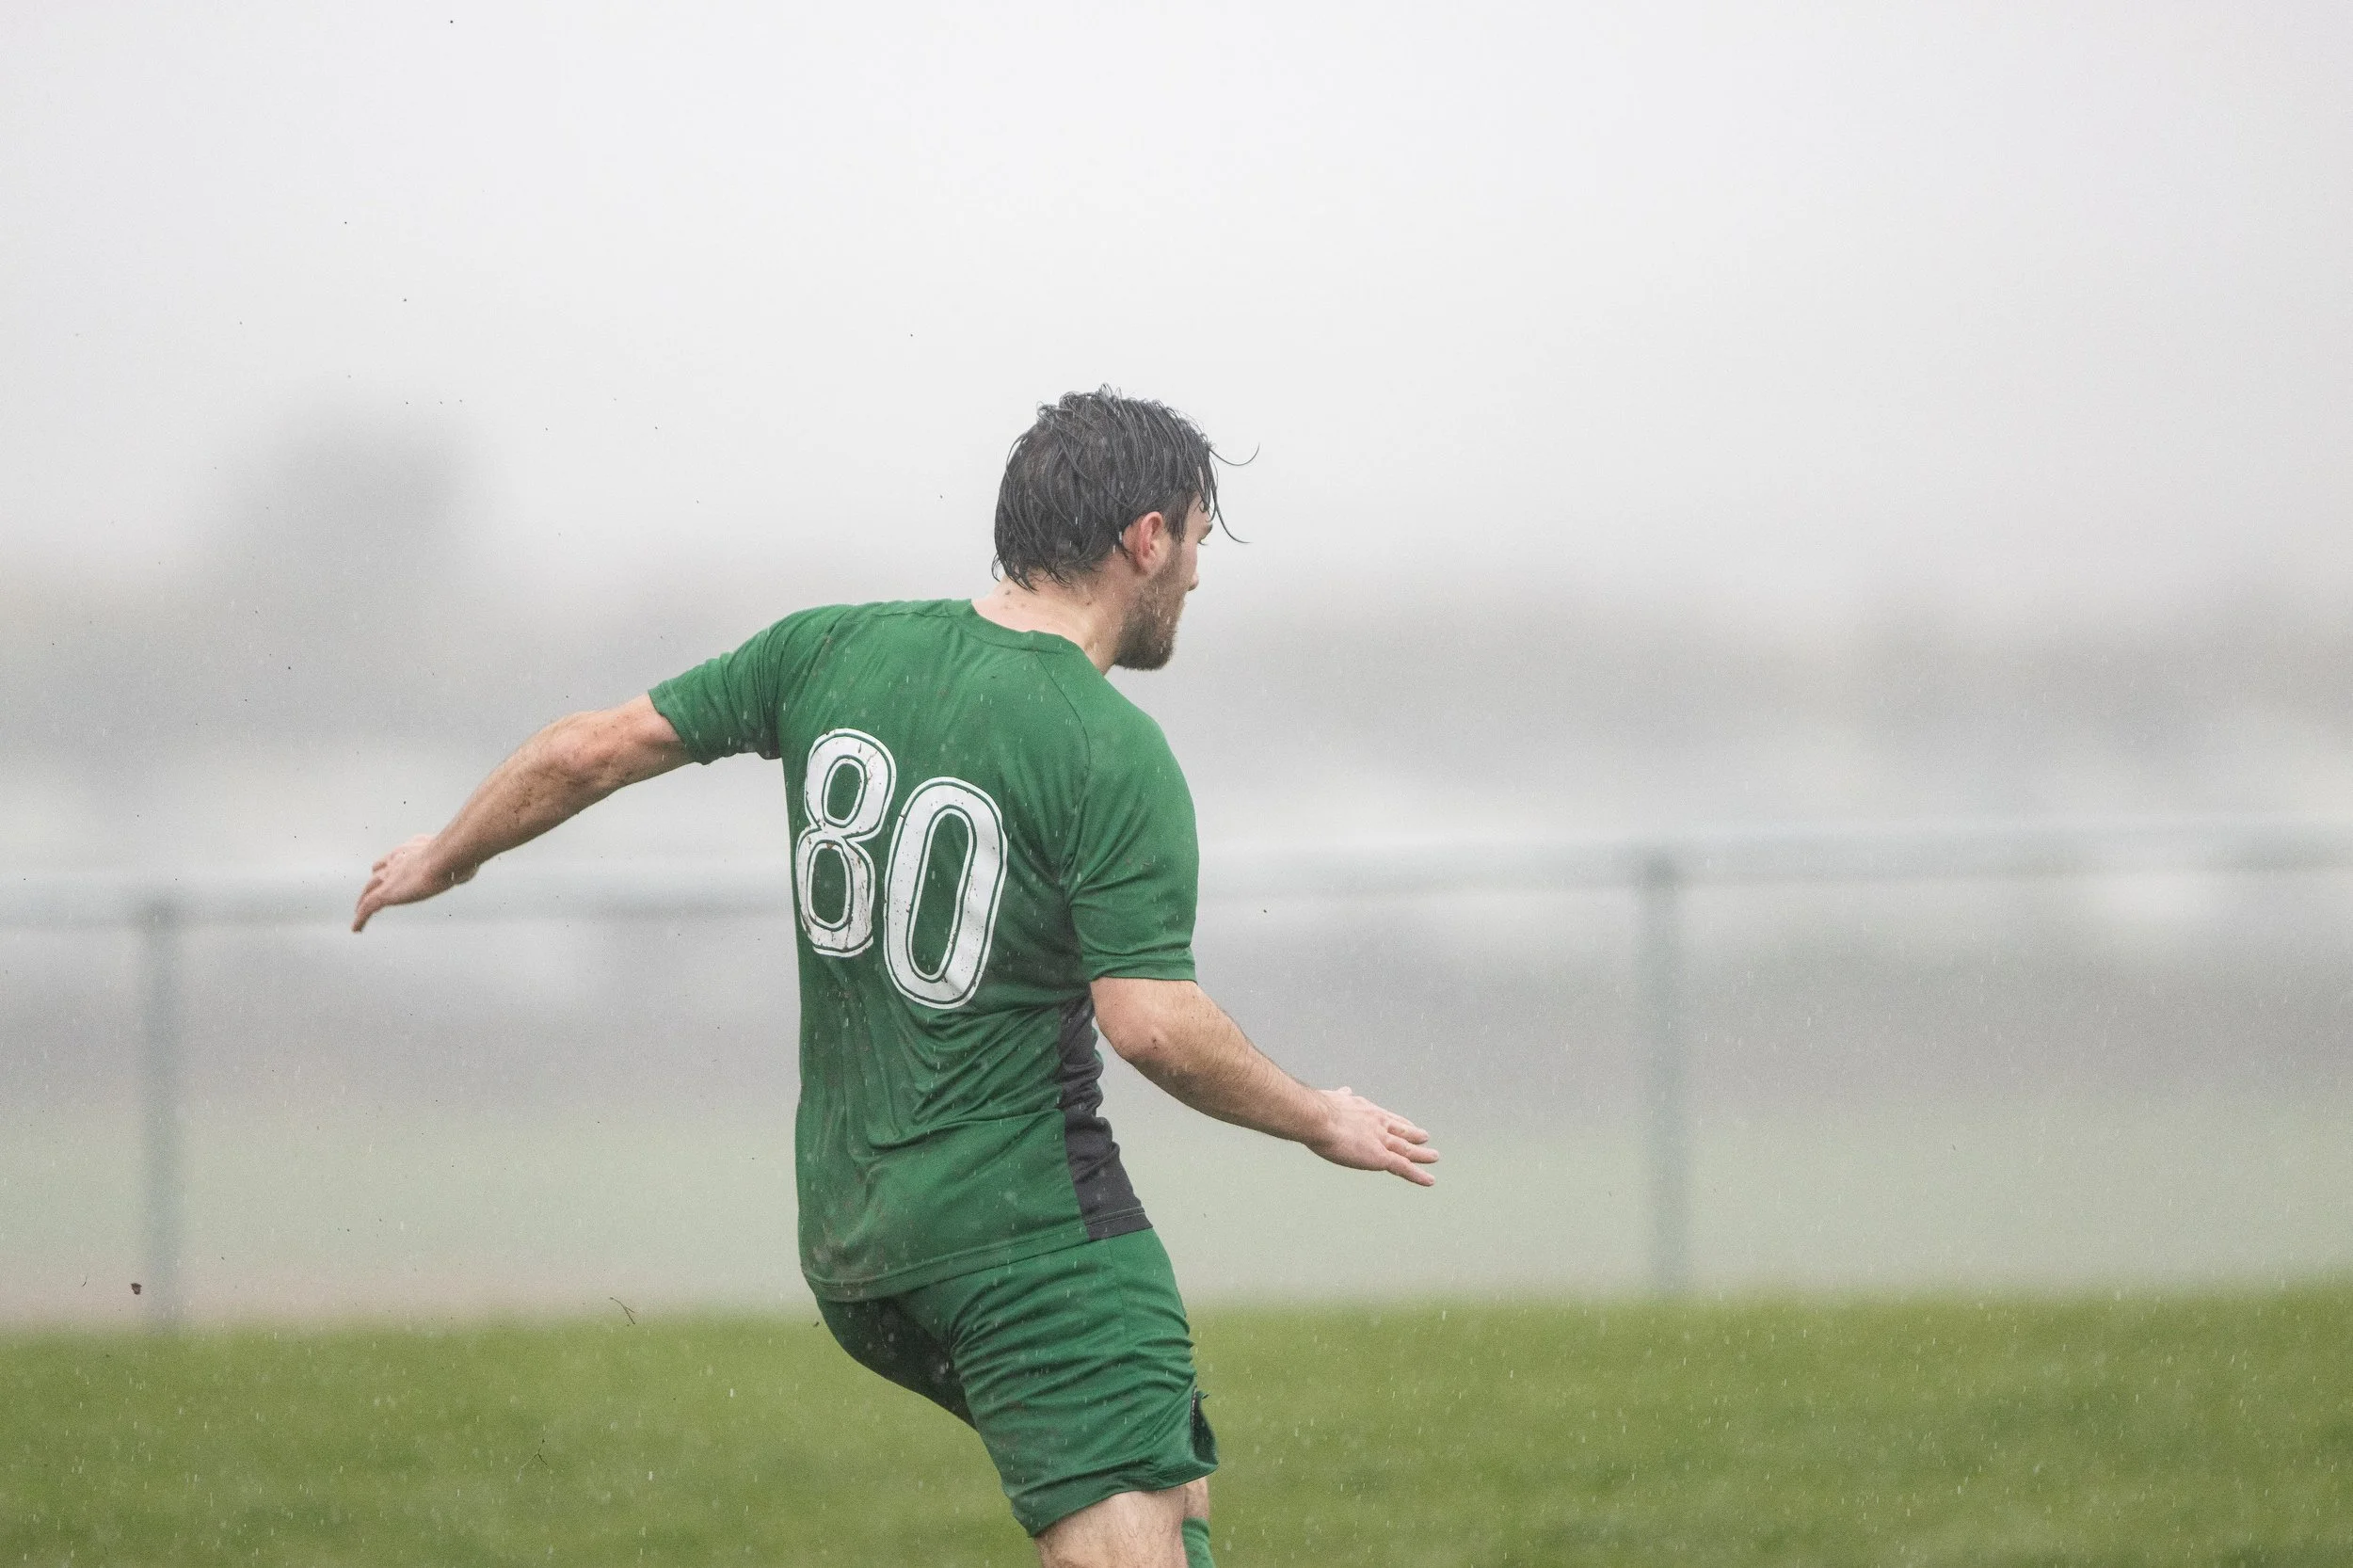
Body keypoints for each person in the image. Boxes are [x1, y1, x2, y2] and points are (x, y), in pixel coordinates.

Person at [351, 388, 1439, 1568]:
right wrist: (1319, 1115)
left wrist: (443, 856)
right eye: (1197, 540)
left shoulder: (829, 647)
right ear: (1144, 539)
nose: (1196, 575)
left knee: (1167, 1498)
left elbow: (588, 747)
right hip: (1023, 1240)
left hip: (855, 1246)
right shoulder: (1106, 747)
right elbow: (1155, 1027)